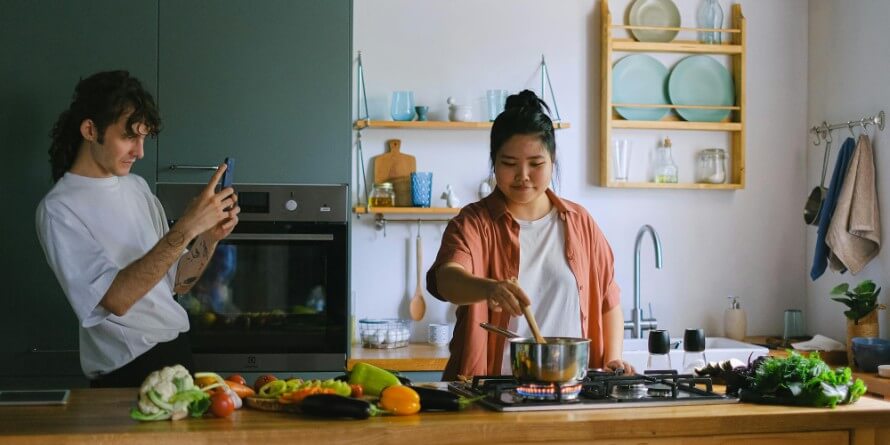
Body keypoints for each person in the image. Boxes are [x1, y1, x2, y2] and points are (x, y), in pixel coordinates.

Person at [35, 70, 240, 387]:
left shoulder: (137, 186)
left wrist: (208, 238)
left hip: (178, 353)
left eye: (144, 137)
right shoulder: (59, 209)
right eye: (129, 137)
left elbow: (175, 285)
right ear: (90, 130)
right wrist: (186, 227)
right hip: (127, 370)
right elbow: (116, 299)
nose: (140, 152)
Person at [426, 90, 633, 380]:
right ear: (494, 162)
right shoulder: (473, 222)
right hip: (490, 393)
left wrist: (613, 358)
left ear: (552, 160)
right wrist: (489, 289)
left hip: (572, 390)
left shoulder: (580, 222)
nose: (523, 175)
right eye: (509, 163)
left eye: (536, 164)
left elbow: (608, 300)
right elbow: (446, 279)